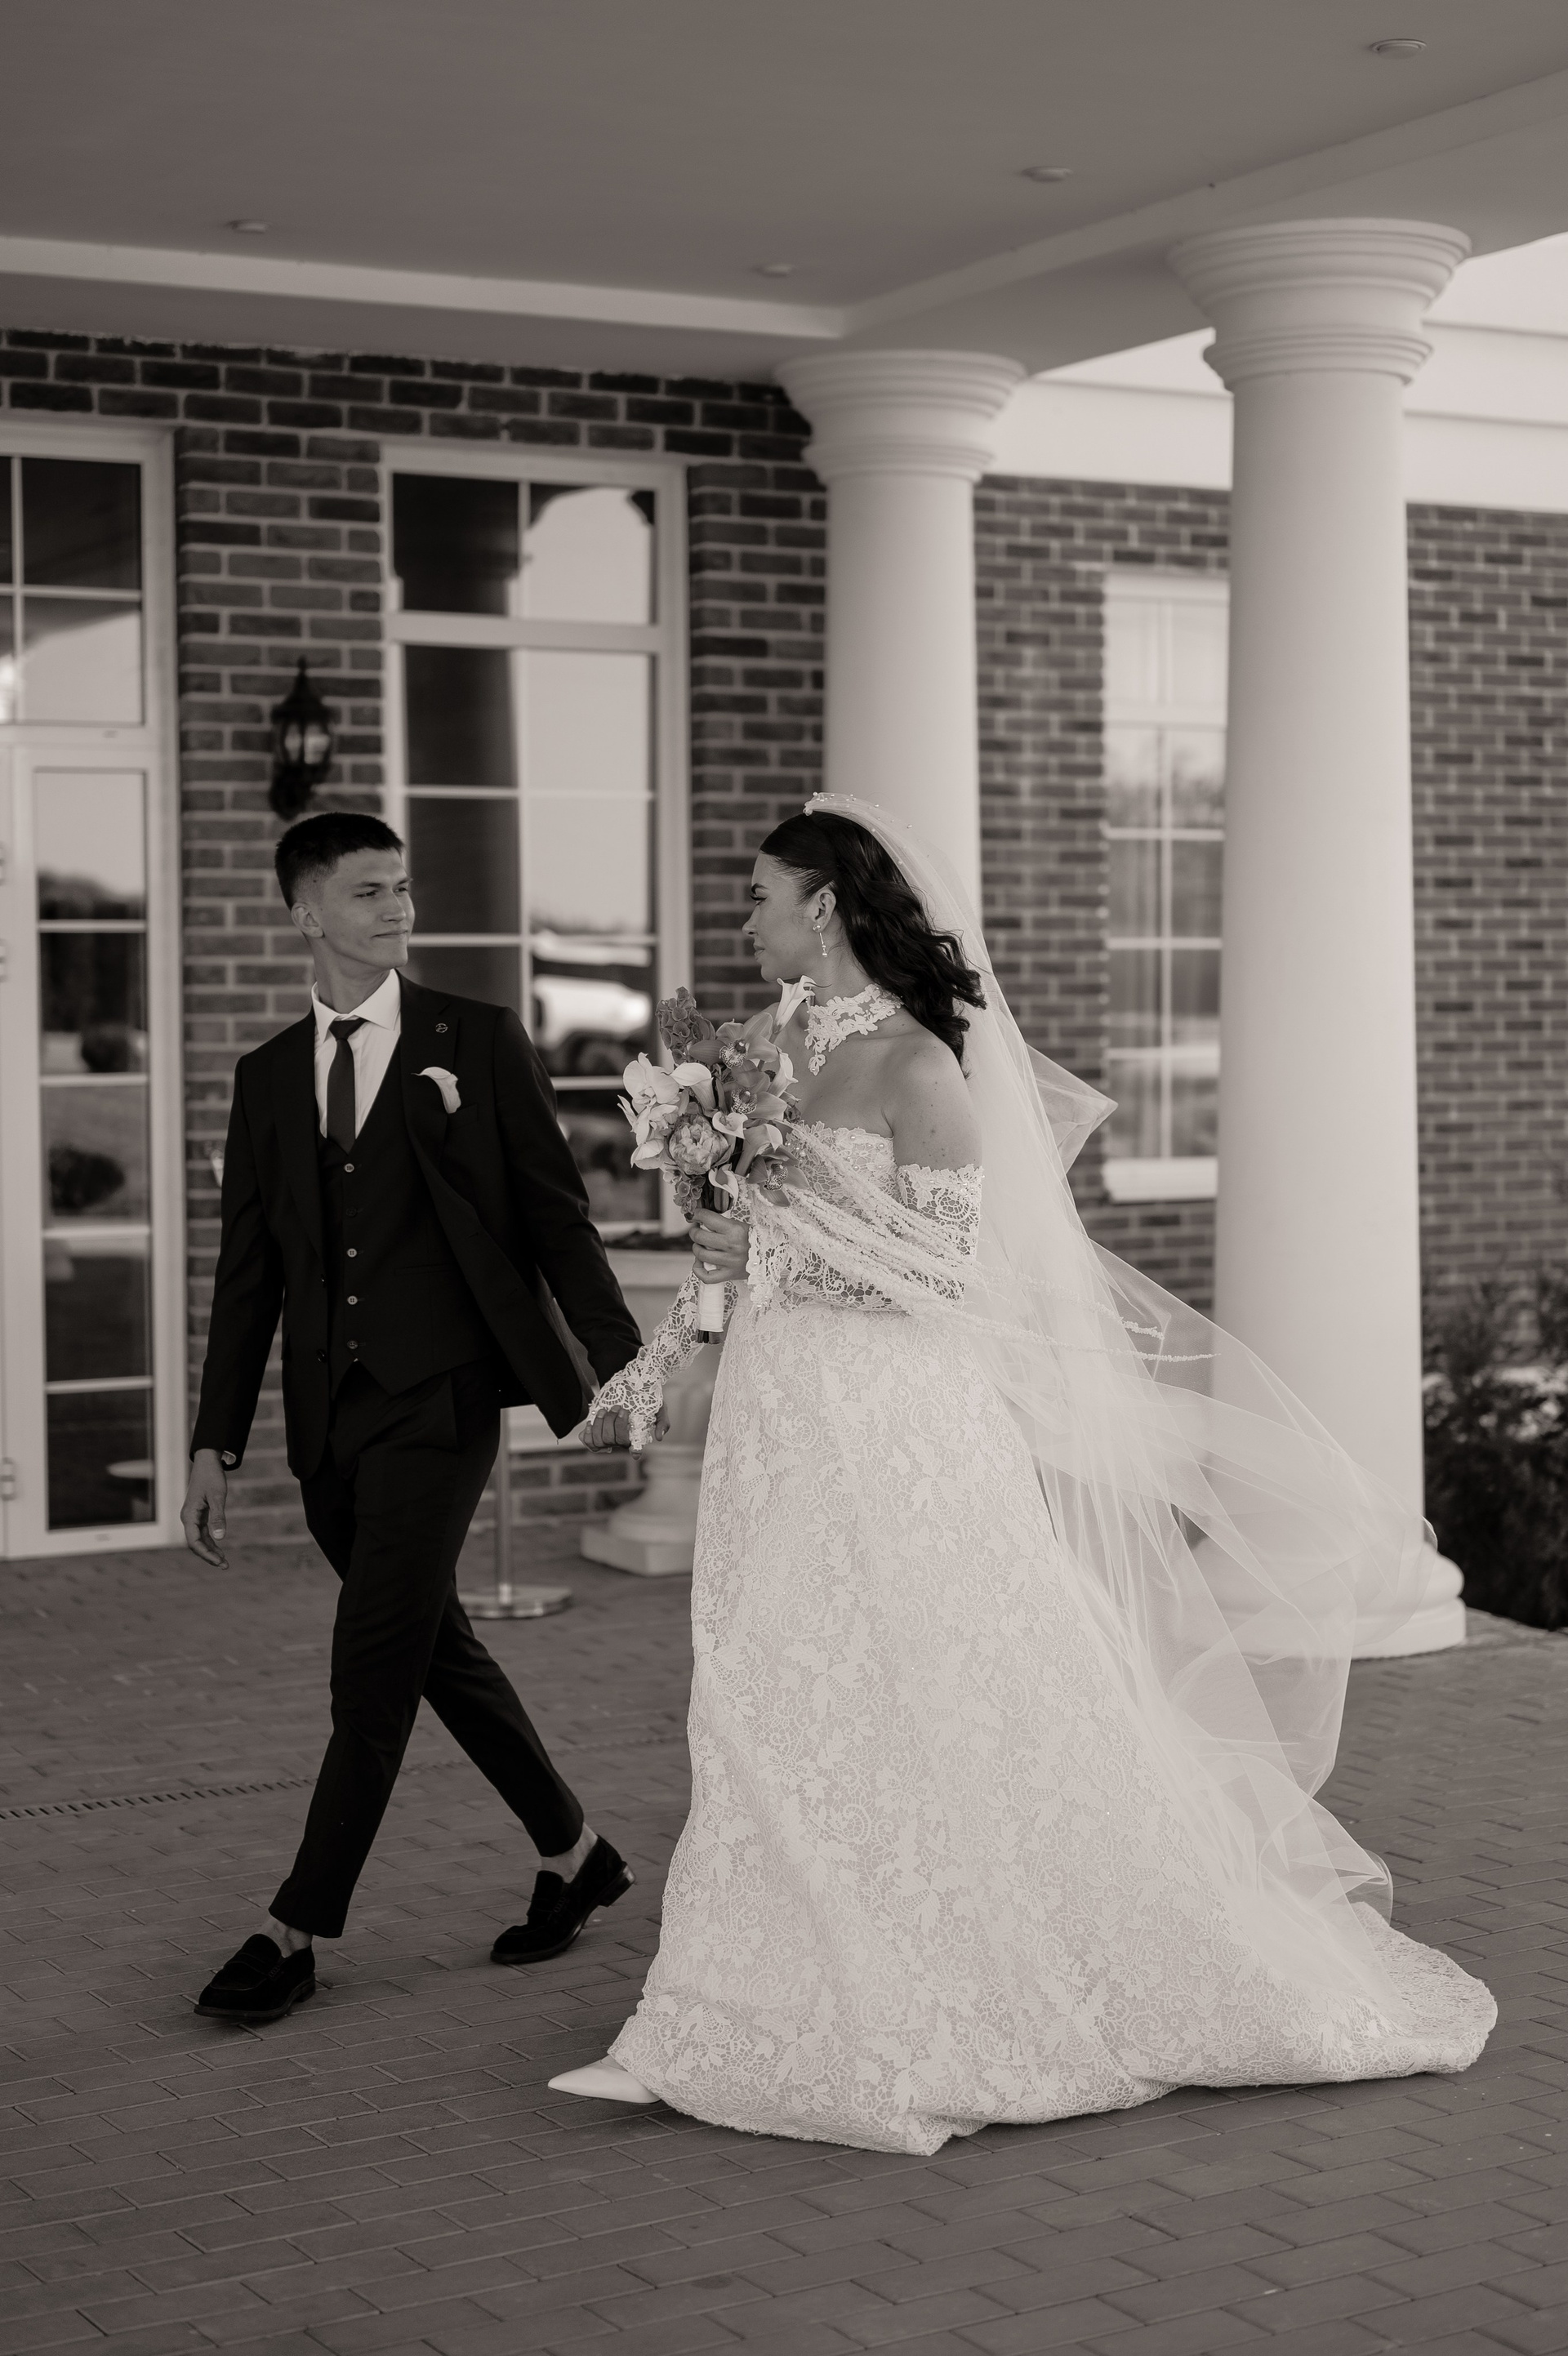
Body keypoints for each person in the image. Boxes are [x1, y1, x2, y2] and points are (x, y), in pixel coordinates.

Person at [549, 792, 1494, 2154]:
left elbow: (945, 1276)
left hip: (895, 1425)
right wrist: (658, 1370)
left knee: (918, 1686)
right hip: (777, 1415)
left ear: (825, 905)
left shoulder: (921, 1068)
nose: (744, 919)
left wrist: (783, 1223)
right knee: (762, 1688)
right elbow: (723, 1251)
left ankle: (943, 1983)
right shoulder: (748, 1053)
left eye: (760, 895)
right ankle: (711, 2006)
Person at [183, 811, 645, 2025]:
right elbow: (248, 1277)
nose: (399, 908)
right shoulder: (267, 1077)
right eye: (369, 891)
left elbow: (556, 1220)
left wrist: (620, 1369)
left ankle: (293, 1928)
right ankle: (574, 1851)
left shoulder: (474, 1041)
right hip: (327, 1425)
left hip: (441, 1404)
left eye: (402, 888)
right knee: (434, 1647)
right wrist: (213, 1443)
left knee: (372, 1672)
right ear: (305, 912)